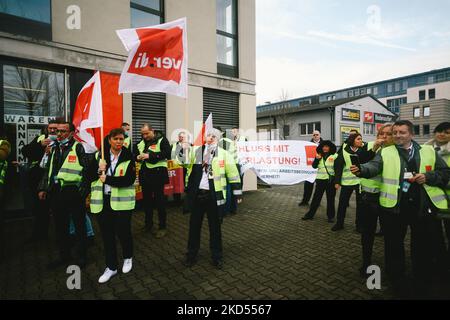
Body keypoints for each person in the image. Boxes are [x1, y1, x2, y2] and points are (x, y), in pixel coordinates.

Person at [351, 120, 449, 297]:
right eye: (395, 132)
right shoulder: (386, 152)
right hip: (394, 208)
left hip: (420, 206)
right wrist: (361, 170)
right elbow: (374, 166)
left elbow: (445, 173)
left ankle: (421, 278)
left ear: (411, 134)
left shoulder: (428, 151)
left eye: (401, 132)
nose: (397, 135)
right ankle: (397, 279)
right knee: (393, 246)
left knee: (421, 245)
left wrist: (427, 176)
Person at [177, 128, 242, 269]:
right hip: (197, 196)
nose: (211, 137)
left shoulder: (223, 154)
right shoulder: (197, 151)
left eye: (214, 136)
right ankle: (191, 255)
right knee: (194, 227)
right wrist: (183, 147)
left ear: (218, 139)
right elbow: (182, 162)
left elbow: (233, 173)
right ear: (205, 137)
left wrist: (237, 194)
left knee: (215, 228)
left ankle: (217, 257)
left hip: (214, 196)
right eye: (209, 135)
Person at [38, 121, 93, 269]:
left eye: (63, 131)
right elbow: (48, 169)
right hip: (56, 192)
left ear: (71, 133)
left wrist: (83, 193)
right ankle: (64, 256)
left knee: (79, 225)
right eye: (57, 131)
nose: (59, 134)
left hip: (73, 192)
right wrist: (43, 188)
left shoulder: (78, 147)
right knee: (60, 226)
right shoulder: (54, 148)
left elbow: (87, 171)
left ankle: (81, 256)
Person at [87, 128, 136, 283]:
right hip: (103, 202)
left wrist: (107, 179)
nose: (119, 142)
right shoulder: (99, 156)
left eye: (121, 139)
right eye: (116, 139)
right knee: (107, 236)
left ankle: (128, 257)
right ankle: (111, 267)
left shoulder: (129, 156)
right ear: (109, 140)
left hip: (122, 204)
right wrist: (97, 170)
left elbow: (128, 180)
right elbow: (87, 176)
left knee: (123, 232)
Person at [358, 123, 394, 277]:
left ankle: (391, 266)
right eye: (381, 134)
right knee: (367, 233)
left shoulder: (396, 151)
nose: (384, 137)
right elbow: (361, 162)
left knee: (391, 234)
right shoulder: (371, 147)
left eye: (388, 134)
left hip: (388, 197)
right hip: (369, 197)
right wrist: (373, 150)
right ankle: (366, 262)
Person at [22, 121, 58, 242]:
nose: (52, 131)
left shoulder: (61, 141)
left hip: (52, 181)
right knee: (38, 208)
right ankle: (38, 235)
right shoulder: (41, 138)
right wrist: (40, 145)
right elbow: (25, 151)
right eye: (50, 128)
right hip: (37, 180)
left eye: (55, 129)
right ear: (47, 129)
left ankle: (54, 237)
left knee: (50, 209)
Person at [135, 123, 171, 238]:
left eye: (147, 133)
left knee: (159, 202)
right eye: (143, 134)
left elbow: (167, 153)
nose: (145, 136)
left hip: (158, 174)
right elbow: (134, 153)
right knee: (147, 202)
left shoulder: (162, 140)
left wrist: (150, 156)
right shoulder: (141, 142)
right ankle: (148, 225)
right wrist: (137, 157)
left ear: (152, 131)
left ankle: (162, 227)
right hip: (145, 174)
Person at [332, 132, 373, 232]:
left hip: (360, 182)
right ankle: (339, 223)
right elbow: (338, 165)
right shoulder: (344, 149)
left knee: (360, 205)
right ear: (352, 140)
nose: (361, 141)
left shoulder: (364, 148)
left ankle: (359, 225)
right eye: (358, 139)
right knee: (342, 204)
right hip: (347, 182)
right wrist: (337, 181)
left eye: (361, 139)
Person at [424, 121, 450, 274]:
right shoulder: (426, 150)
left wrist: (438, 180)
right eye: (439, 131)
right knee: (434, 234)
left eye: (446, 132)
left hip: (448, 202)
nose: (442, 134)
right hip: (432, 201)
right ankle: (440, 261)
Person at [301, 140, 337, 222]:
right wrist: (317, 159)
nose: (325, 148)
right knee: (316, 199)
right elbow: (314, 166)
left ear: (330, 147)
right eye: (323, 146)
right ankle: (310, 215)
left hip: (331, 181)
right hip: (320, 181)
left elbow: (338, 169)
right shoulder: (319, 155)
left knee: (330, 200)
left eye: (327, 146)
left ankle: (331, 217)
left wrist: (337, 182)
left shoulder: (335, 156)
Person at [299, 130, 323, 206]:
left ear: (320, 135)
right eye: (314, 135)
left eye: (317, 135)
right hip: (310, 168)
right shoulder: (308, 144)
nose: (315, 136)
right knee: (308, 186)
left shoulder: (324, 144)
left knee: (319, 187)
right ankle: (305, 201)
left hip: (321, 169)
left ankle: (317, 202)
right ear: (312, 136)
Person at [171, 131, 191, 213]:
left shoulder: (189, 145)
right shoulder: (174, 145)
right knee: (177, 184)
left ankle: (187, 202)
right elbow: (171, 155)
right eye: (180, 136)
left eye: (183, 136)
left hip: (186, 168)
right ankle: (177, 201)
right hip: (177, 168)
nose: (181, 138)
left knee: (186, 184)